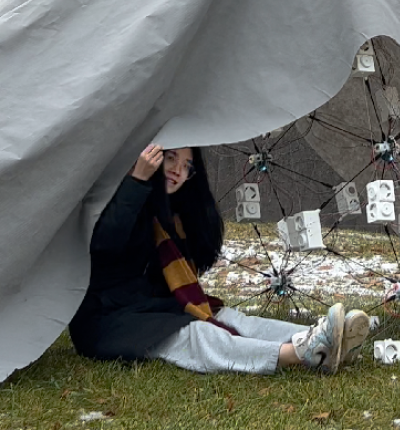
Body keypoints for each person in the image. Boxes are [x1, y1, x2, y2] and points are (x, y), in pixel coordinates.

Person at [69, 144, 371, 374]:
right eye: (171, 158)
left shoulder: (171, 215)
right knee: (196, 334)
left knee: (229, 318)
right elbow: (105, 244)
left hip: (152, 307)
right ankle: (300, 353)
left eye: (187, 166)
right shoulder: (119, 194)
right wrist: (137, 180)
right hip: (107, 320)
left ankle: (324, 338)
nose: (178, 170)